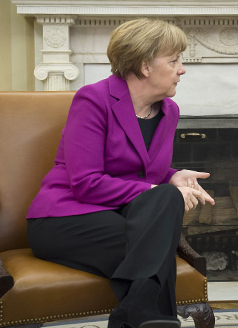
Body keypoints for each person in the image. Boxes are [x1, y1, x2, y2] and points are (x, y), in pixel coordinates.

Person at [26, 18, 214, 328]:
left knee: (161, 214)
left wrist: (170, 176)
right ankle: (146, 318)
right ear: (144, 66)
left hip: (123, 218)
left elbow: (140, 168)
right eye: (174, 60)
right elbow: (86, 183)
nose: (182, 69)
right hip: (65, 219)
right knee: (158, 246)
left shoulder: (168, 111)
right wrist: (157, 189)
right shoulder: (93, 99)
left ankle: (134, 317)